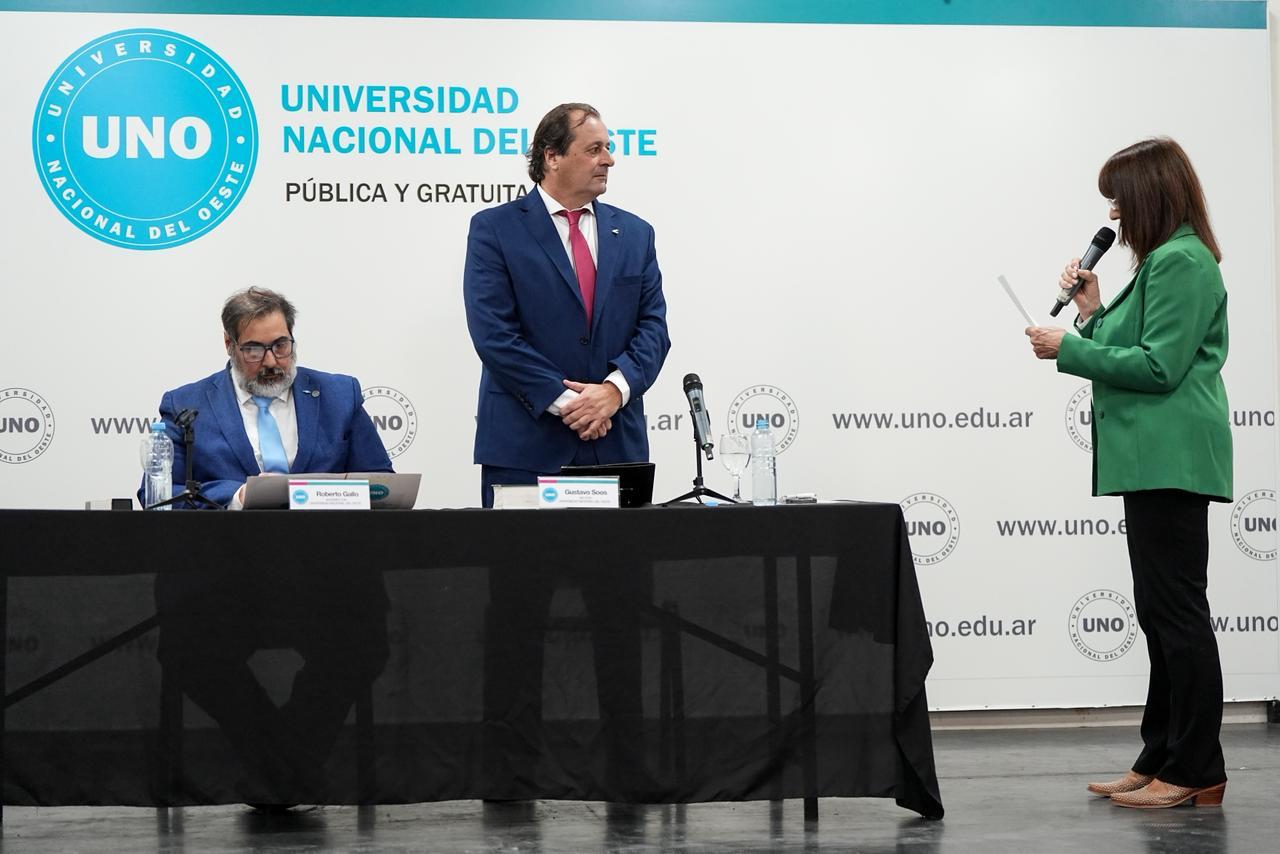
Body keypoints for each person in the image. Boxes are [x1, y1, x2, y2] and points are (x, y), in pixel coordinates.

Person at [462, 103, 670, 799]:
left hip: (615, 446)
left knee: (622, 615)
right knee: (516, 615)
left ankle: (629, 771)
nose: (609, 159)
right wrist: (565, 401)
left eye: (609, 148)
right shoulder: (495, 229)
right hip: (526, 449)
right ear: (552, 156)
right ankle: (510, 775)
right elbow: (494, 333)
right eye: (595, 148)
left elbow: (653, 330)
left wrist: (612, 391)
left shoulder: (634, 233)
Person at [1025, 138, 1231, 809]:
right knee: (1159, 613)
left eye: (1118, 199)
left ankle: (1196, 767)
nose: (1112, 214)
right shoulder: (1164, 261)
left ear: (1149, 196)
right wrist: (1091, 313)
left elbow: (1159, 366)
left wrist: (1070, 348)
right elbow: (1135, 345)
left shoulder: (1182, 262)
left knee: (1177, 615)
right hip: (1153, 460)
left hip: (1171, 458)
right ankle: (1161, 755)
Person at [144, 287, 393, 809]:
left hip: (323, 584)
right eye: (255, 349)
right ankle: (290, 770)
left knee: (361, 643)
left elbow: (379, 481)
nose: (273, 361)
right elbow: (158, 494)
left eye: (282, 345)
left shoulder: (340, 394)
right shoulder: (186, 404)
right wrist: (234, 495)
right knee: (191, 651)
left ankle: (278, 770)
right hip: (225, 588)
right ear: (229, 345)